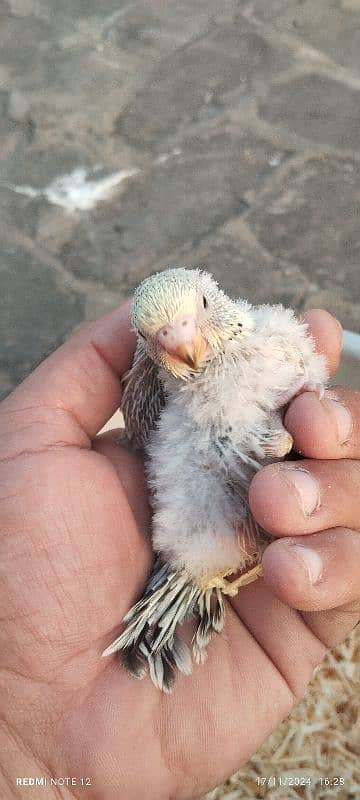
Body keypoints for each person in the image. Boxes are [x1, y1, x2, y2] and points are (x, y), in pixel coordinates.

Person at [0, 303, 358, 800]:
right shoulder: (177, 396)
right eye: (161, 335)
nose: (185, 341)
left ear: (212, 302)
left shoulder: (273, 338)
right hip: (211, 543)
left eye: (196, 315)